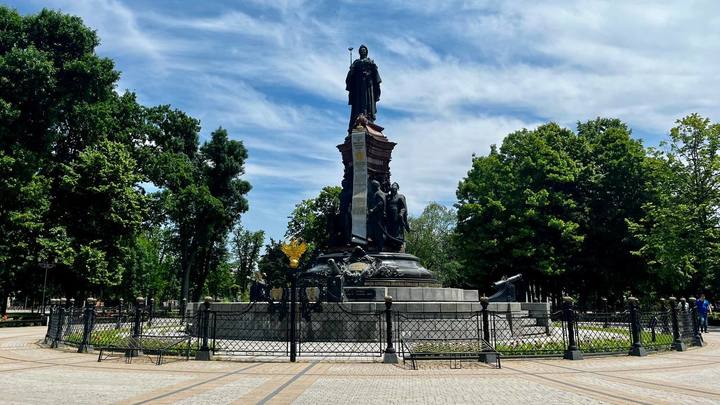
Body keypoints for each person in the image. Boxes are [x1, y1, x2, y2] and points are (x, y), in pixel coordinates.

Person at [346, 44, 382, 131]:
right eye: (361, 50)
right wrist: (351, 71)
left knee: (368, 102)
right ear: (359, 52)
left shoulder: (370, 62)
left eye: (364, 50)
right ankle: (358, 118)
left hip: (368, 86)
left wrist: (373, 68)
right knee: (358, 102)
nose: (363, 51)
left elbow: (375, 76)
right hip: (358, 87)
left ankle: (368, 118)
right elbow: (350, 78)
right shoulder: (356, 63)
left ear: (366, 52)